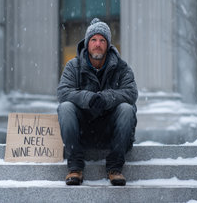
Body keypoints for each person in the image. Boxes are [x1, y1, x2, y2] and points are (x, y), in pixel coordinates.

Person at [57, 18, 138, 186]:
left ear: (108, 44)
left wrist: (106, 98)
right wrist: (89, 98)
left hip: (111, 130)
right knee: (65, 107)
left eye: (102, 40)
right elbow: (63, 92)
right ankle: (75, 168)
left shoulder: (122, 67)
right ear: (87, 44)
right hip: (82, 130)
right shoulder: (73, 66)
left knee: (127, 108)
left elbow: (131, 93)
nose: (98, 44)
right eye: (93, 40)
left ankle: (115, 168)